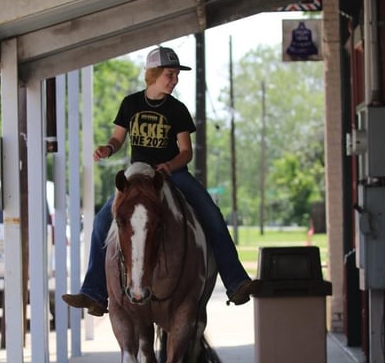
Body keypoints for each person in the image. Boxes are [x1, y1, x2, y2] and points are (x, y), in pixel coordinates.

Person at [62, 46, 255, 317]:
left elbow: (186, 151)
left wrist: (170, 166)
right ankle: (94, 293)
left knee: (211, 213)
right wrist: (108, 147)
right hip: (138, 173)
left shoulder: (177, 110)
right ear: (152, 74)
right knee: (101, 221)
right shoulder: (130, 103)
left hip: (173, 173)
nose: (174, 80)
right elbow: (118, 138)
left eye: (176, 75)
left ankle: (235, 281)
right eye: (169, 74)